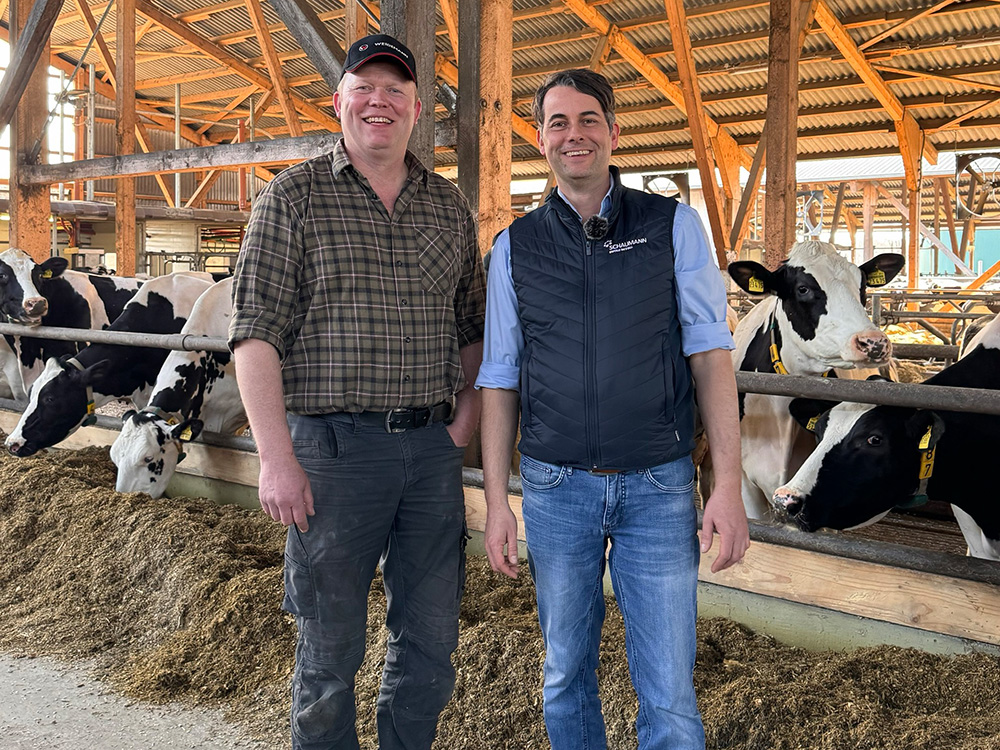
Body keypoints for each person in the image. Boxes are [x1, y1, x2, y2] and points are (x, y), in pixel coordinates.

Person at [477, 69, 749, 750]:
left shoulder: (672, 226)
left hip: (657, 485)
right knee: (566, 671)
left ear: (613, 131)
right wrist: (497, 504)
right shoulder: (514, 247)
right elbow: (499, 377)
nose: (575, 134)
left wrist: (729, 488)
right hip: (553, 487)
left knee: (670, 689)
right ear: (541, 140)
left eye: (589, 119)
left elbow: (712, 356)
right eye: (559, 123)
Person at [228, 34, 486, 750]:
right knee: (330, 648)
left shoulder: (447, 206)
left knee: (432, 644)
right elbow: (254, 335)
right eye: (364, 88)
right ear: (338, 102)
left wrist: (462, 421)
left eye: (395, 90)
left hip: (430, 452)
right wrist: (275, 459)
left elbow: (473, 324)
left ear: (417, 110)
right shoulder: (293, 197)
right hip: (331, 452)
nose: (380, 101)